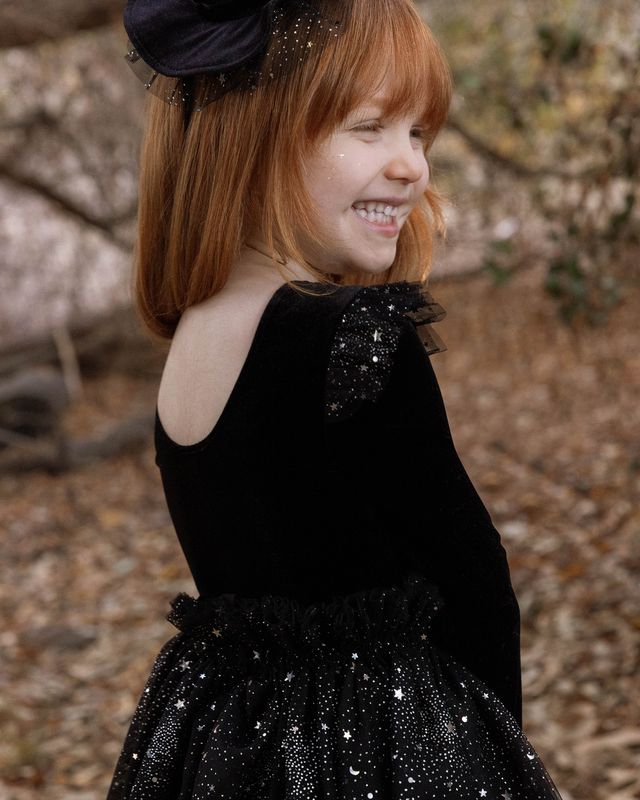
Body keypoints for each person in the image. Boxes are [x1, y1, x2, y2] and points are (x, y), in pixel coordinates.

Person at [106, 0, 564, 797]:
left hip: (229, 748)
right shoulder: (353, 339)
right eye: (370, 126)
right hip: (392, 752)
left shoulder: (194, 341)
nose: (412, 166)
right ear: (259, 132)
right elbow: (478, 588)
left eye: (419, 133)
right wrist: (497, 760)